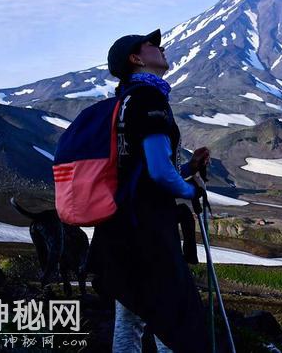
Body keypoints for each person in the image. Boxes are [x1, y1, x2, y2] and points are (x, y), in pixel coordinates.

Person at [87, 29, 210, 353]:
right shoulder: (149, 99)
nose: (162, 47)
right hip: (148, 232)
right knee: (173, 321)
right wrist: (190, 190)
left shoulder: (124, 101)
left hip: (119, 228)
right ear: (136, 58)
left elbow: (137, 170)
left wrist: (187, 169)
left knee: (131, 319)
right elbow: (157, 171)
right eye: (152, 44)